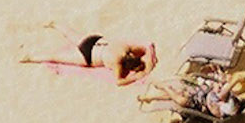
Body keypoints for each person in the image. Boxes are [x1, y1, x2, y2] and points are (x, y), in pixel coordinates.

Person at [20, 30, 157, 84]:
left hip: (95, 40)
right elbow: (119, 81)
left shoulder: (125, 48)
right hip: (87, 56)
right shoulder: (117, 63)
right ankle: (30, 58)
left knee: (72, 35)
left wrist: (148, 61)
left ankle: (55, 25)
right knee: (55, 57)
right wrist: (136, 77)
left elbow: (145, 49)